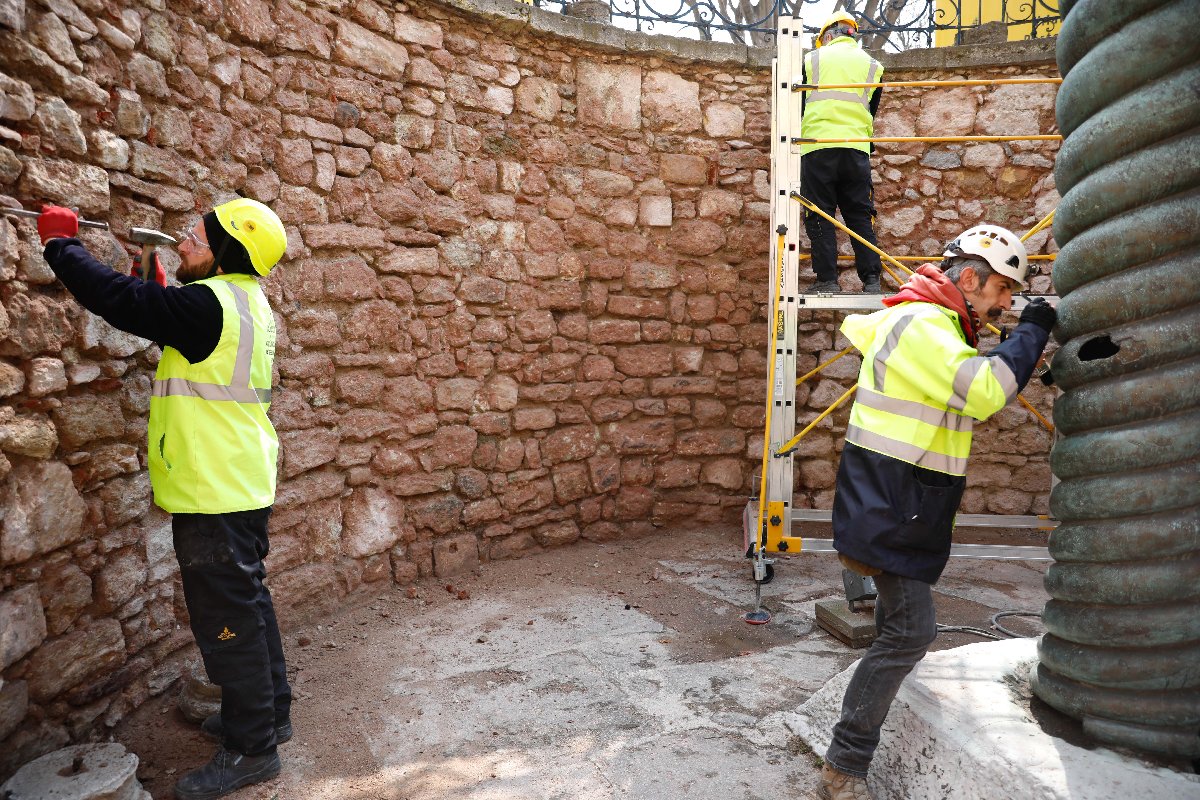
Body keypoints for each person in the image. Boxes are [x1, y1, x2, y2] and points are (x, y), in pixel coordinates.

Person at [38, 199, 293, 800]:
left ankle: (253, 748)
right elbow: (173, 321)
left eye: (196, 239)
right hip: (240, 481)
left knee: (227, 619)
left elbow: (121, 302)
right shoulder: (243, 302)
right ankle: (269, 715)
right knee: (250, 603)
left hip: (213, 489)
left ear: (227, 252)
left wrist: (61, 245)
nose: (183, 244)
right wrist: (154, 283)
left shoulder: (208, 306)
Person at [818, 225, 1057, 800]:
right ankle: (844, 766)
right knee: (909, 633)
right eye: (1003, 289)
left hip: (899, 504)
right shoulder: (922, 325)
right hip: (893, 507)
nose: (1005, 303)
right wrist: (1033, 330)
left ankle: (856, 746)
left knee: (897, 629)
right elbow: (983, 392)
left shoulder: (934, 324)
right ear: (969, 278)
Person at [800, 11, 885, 295]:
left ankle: (827, 280)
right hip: (856, 148)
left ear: (827, 36)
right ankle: (871, 280)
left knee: (819, 213)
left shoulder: (812, 59)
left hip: (818, 145)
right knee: (859, 215)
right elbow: (871, 111)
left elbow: (800, 104)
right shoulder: (873, 66)